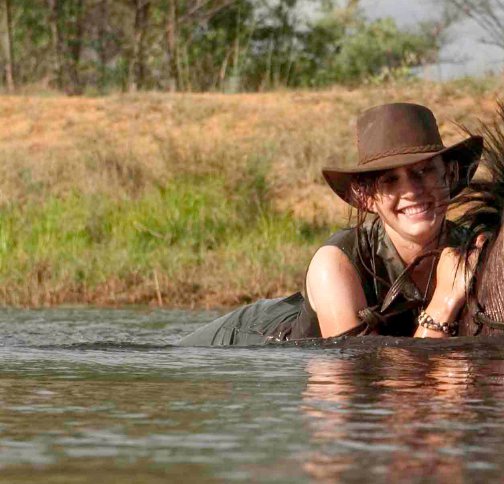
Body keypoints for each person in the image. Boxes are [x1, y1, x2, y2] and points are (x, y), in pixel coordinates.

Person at [178, 103, 483, 346]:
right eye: (391, 179)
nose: (412, 191)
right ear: (367, 198)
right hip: (239, 347)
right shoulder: (334, 264)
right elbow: (366, 379)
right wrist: (444, 302)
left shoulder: (476, 248)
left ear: (450, 174)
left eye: (425, 171)